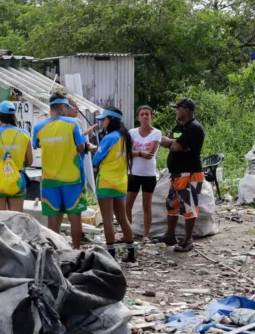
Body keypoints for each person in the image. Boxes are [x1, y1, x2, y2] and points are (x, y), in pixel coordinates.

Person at [32, 95, 88, 248]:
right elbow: (82, 147)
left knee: (53, 219)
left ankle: (55, 252)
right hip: (72, 178)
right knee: (74, 216)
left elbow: (36, 144)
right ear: (63, 107)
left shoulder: (38, 127)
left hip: (49, 180)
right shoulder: (72, 123)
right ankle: (76, 251)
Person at [160, 98, 206, 252]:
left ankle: (188, 240)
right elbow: (171, 142)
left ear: (186, 110)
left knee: (189, 206)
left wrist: (170, 141)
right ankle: (170, 235)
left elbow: (175, 146)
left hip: (190, 173)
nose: (176, 112)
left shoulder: (194, 128)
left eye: (178, 109)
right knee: (172, 205)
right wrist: (171, 141)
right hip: (177, 173)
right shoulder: (182, 127)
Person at [91, 108, 136, 263]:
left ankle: (111, 255)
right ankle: (131, 253)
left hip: (105, 183)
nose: (101, 122)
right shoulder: (126, 137)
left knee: (108, 219)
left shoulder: (109, 137)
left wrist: (95, 151)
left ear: (110, 120)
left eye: (103, 120)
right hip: (121, 183)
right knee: (123, 218)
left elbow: (96, 160)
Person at [0, 101, 33, 211]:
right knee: (16, 220)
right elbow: (29, 162)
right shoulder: (25, 135)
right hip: (18, 181)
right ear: (13, 116)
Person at [126, 106, 162, 243]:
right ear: (138, 117)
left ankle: (145, 235)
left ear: (151, 116)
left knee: (146, 206)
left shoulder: (156, 133)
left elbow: (150, 154)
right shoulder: (132, 132)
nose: (145, 117)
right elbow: (127, 152)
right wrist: (140, 152)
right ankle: (128, 232)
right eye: (142, 114)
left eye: (147, 114)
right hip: (134, 173)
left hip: (148, 174)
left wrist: (135, 152)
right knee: (127, 205)